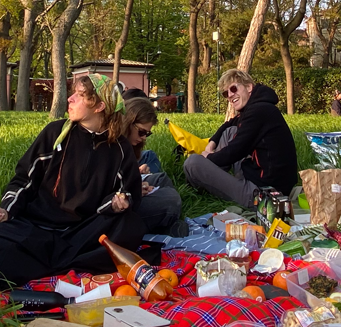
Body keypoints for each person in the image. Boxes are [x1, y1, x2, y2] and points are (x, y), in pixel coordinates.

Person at [0, 74, 148, 285]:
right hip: (35, 227)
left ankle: (45, 262)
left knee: (130, 226)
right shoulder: (55, 133)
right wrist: (6, 209)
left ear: (99, 106)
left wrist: (117, 204)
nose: (70, 99)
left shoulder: (120, 148)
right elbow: (24, 179)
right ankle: (67, 263)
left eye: (79, 95)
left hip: (83, 232)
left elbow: (128, 194)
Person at [183, 69, 299, 210]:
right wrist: (212, 141)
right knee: (230, 131)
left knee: (192, 163)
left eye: (233, 89)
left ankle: (203, 183)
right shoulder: (258, 107)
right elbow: (229, 124)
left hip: (263, 196)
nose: (230, 96)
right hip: (259, 177)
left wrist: (209, 157)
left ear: (249, 87)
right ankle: (213, 178)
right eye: (226, 94)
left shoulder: (258, 111)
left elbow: (235, 151)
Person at [124, 96, 186, 236]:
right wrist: (132, 188)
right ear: (128, 123)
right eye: (141, 132)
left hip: (127, 191)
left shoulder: (129, 146)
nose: (144, 137)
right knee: (172, 200)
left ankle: (164, 224)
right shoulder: (114, 145)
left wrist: (136, 177)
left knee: (161, 179)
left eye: (148, 133)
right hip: (118, 203)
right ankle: (166, 226)